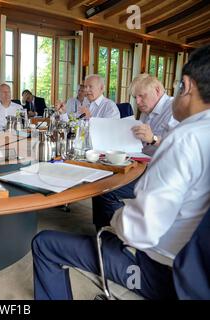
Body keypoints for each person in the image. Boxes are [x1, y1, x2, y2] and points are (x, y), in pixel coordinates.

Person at [32, 44, 210, 300]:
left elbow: (141, 231)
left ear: (187, 85)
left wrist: (117, 221)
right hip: (199, 274)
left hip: (162, 271)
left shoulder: (185, 138)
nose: (137, 103)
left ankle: (107, 247)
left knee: (44, 243)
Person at [92, 74, 179, 230]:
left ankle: (117, 235)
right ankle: (103, 230)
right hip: (140, 164)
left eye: (141, 96)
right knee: (100, 179)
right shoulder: (148, 109)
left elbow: (179, 147)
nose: (137, 102)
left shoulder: (174, 109)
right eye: (135, 97)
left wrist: (153, 138)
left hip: (160, 173)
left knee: (106, 189)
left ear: (157, 90)